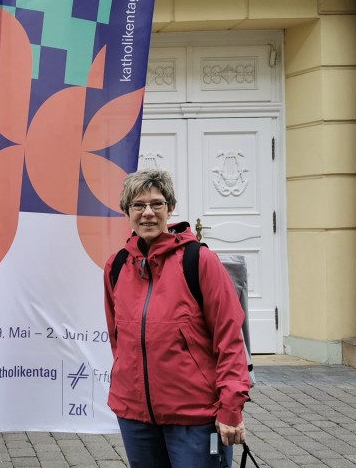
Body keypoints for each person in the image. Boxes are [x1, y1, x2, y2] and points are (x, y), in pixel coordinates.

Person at [103, 169, 251, 468]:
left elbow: (230, 339)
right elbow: (117, 338)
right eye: (138, 205)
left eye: (156, 204)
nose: (148, 213)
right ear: (126, 212)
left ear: (169, 208)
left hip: (194, 416)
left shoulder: (199, 260)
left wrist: (230, 409)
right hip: (136, 417)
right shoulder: (117, 265)